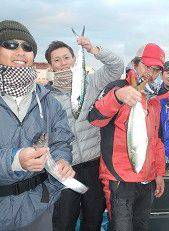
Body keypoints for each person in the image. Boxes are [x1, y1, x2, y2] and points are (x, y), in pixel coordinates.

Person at [0, 20, 75, 230]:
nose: (21, 51)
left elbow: (62, 140)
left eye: (27, 47)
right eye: (11, 45)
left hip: (38, 207)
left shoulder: (49, 100)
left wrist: (62, 161)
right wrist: (14, 161)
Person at [44, 37, 124, 230]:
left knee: (93, 219)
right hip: (63, 168)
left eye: (66, 57)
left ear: (74, 59)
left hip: (94, 164)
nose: (63, 63)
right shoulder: (45, 95)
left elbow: (116, 67)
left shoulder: (91, 82)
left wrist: (93, 49)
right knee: (63, 221)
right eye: (57, 60)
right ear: (51, 66)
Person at [88, 43, 166, 231]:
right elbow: (94, 118)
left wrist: (159, 174)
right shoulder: (117, 88)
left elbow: (156, 141)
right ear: (136, 63)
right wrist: (117, 96)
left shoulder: (154, 100)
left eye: (156, 70)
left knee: (142, 227)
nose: (151, 73)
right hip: (120, 179)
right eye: (147, 67)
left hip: (146, 180)